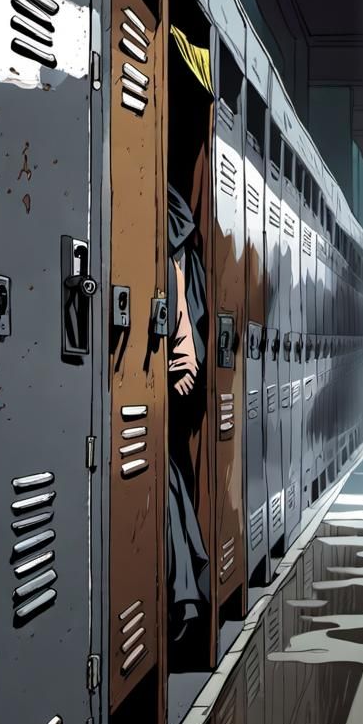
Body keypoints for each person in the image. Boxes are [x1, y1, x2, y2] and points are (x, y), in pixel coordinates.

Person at [166, 184, 211, 651]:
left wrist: (181, 356)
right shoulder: (176, 223)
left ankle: (183, 592)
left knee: (172, 476)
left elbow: (179, 303)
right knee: (171, 476)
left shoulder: (171, 222)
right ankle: (184, 590)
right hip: (167, 372)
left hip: (170, 373)